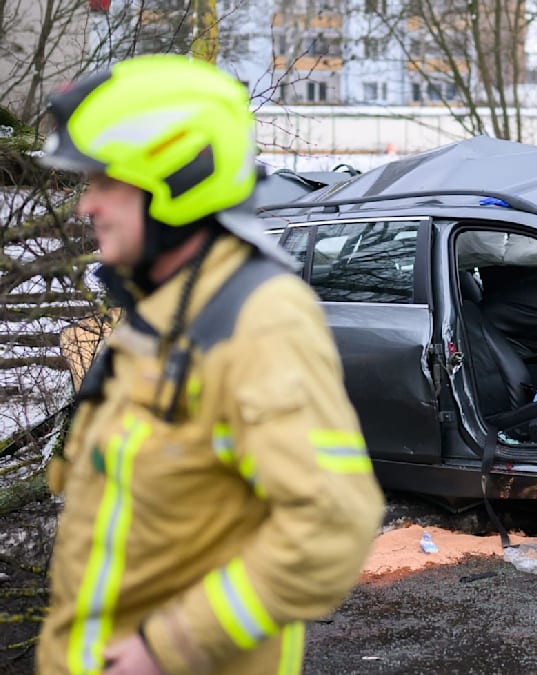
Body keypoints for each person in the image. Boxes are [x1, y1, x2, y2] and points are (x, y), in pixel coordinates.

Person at [35, 54, 385, 674]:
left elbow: (331, 526)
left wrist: (166, 650)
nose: (87, 206)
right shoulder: (164, 311)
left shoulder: (259, 319)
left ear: (177, 178)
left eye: (104, 183)